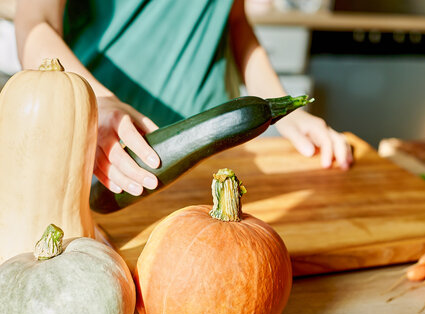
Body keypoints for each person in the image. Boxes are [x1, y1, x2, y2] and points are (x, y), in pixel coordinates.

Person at [15, 0, 353, 196]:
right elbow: (35, 23)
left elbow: (233, 20)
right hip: (104, 158)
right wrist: (96, 101)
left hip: (212, 157)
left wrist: (283, 106)